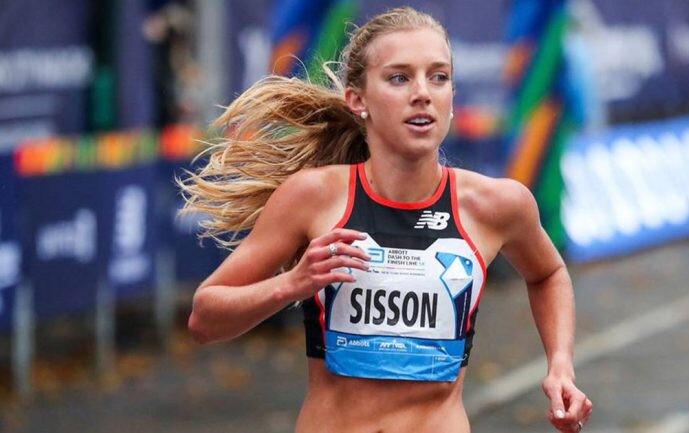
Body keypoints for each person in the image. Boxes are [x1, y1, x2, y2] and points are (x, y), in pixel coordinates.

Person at [181, 7, 591, 433]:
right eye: (399, 78)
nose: (423, 93)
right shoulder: (313, 197)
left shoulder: (496, 204)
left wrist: (560, 365)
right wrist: (292, 284)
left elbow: (548, 273)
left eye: (439, 77)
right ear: (358, 100)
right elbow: (204, 320)